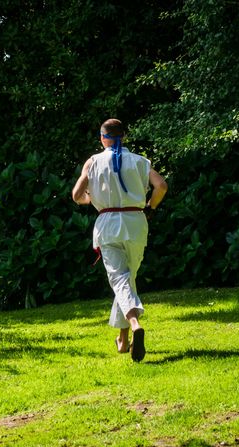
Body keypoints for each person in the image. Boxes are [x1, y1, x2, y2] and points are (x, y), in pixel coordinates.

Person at [72, 118, 167, 362]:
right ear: (123, 136)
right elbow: (161, 186)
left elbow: (76, 195)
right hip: (136, 223)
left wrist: (89, 199)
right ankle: (124, 341)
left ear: (102, 138)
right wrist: (150, 207)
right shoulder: (139, 161)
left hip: (108, 224)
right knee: (127, 280)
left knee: (120, 280)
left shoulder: (93, 162)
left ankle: (135, 325)